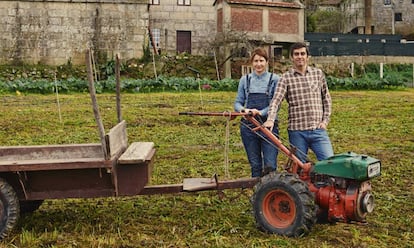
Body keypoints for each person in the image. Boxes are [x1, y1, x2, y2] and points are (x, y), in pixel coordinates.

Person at [263, 42, 334, 163]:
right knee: (300, 168)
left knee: (329, 162)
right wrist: (270, 119)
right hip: (297, 132)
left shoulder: (318, 74)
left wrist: (325, 121)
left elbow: (326, 98)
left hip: (318, 130)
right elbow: (276, 101)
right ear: (291, 57)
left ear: (307, 56)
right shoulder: (285, 78)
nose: (299, 56)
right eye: (296, 54)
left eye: (302, 53)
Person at [234, 47, 280, 177]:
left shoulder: (274, 79)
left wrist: (260, 112)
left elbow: (275, 104)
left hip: (269, 126)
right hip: (248, 127)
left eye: (261, 60)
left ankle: (270, 192)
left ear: (267, 62)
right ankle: (257, 193)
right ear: (251, 63)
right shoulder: (245, 80)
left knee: (270, 165)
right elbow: (237, 103)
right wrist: (244, 110)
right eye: (255, 61)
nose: (258, 64)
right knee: (255, 165)